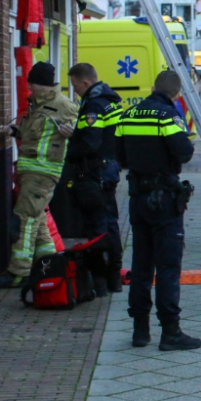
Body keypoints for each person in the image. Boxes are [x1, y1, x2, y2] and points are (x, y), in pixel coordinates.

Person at [116, 70, 199, 351]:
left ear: (153, 87)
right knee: (167, 267)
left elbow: (119, 154)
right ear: (176, 94)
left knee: (141, 266)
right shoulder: (167, 116)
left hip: (137, 199)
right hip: (164, 199)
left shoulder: (128, 115)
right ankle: (170, 332)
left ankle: (140, 330)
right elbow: (185, 152)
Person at [0, 62, 78, 288]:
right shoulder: (37, 106)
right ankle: (48, 264)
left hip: (43, 173)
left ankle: (19, 273)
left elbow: (83, 136)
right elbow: (33, 134)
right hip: (30, 172)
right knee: (37, 219)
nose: (28, 87)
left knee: (26, 219)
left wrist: (73, 134)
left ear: (41, 84)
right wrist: (14, 131)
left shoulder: (63, 106)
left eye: (32, 83)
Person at [64, 63, 124, 295]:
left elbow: (90, 142)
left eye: (75, 85)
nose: (75, 90)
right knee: (110, 224)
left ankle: (100, 282)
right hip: (108, 169)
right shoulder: (110, 100)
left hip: (94, 173)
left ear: (85, 82)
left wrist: (72, 141)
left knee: (97, 227)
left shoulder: (94, 105)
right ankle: (114, 278)